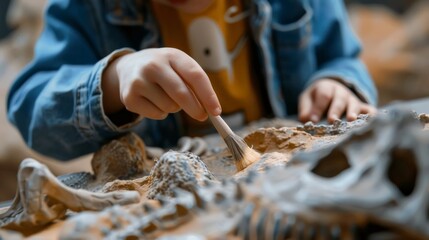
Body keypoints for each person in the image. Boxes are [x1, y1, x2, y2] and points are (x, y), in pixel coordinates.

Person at [7, 0, 377, 160]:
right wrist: (111, 81)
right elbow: (30, 108)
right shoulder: (87, 9)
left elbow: (343, 57)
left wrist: (338, 83)